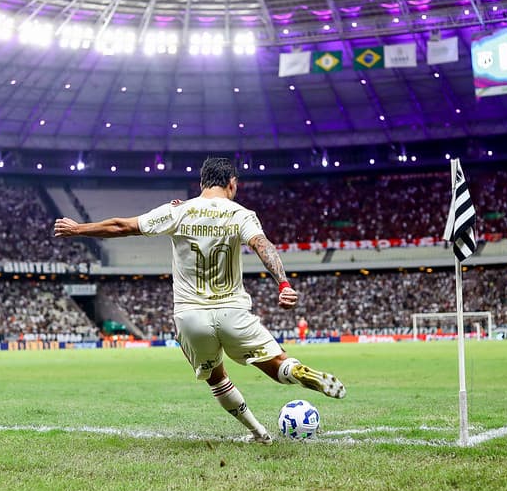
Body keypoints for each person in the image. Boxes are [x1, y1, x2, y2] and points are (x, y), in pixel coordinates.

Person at [53, 157, 345, 444]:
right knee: (276, 363)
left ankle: (258, 432)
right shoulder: (240, 213)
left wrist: (78, 229)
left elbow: (122, 226)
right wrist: (283, 283)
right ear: (232, 183)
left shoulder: (178, 211)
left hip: (191, 316)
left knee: (216, 378)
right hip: (233, 311)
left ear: (201, 183)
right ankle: (295, 370)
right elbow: (261, 244)